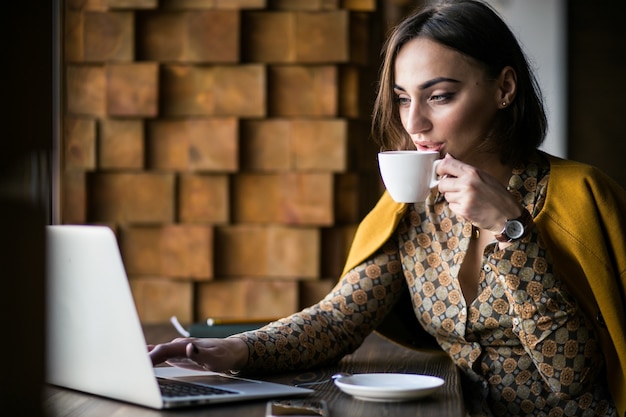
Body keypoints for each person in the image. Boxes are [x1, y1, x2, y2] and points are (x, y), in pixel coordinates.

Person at [148, 1, 626, 415]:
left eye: (439, 96)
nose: (415, 122)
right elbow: (338, 320)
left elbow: (570, 377)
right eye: (402, 100)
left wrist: (512, 230)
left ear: (504, 88)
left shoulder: (581, 195)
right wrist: (237, 349)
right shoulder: (414, 207)